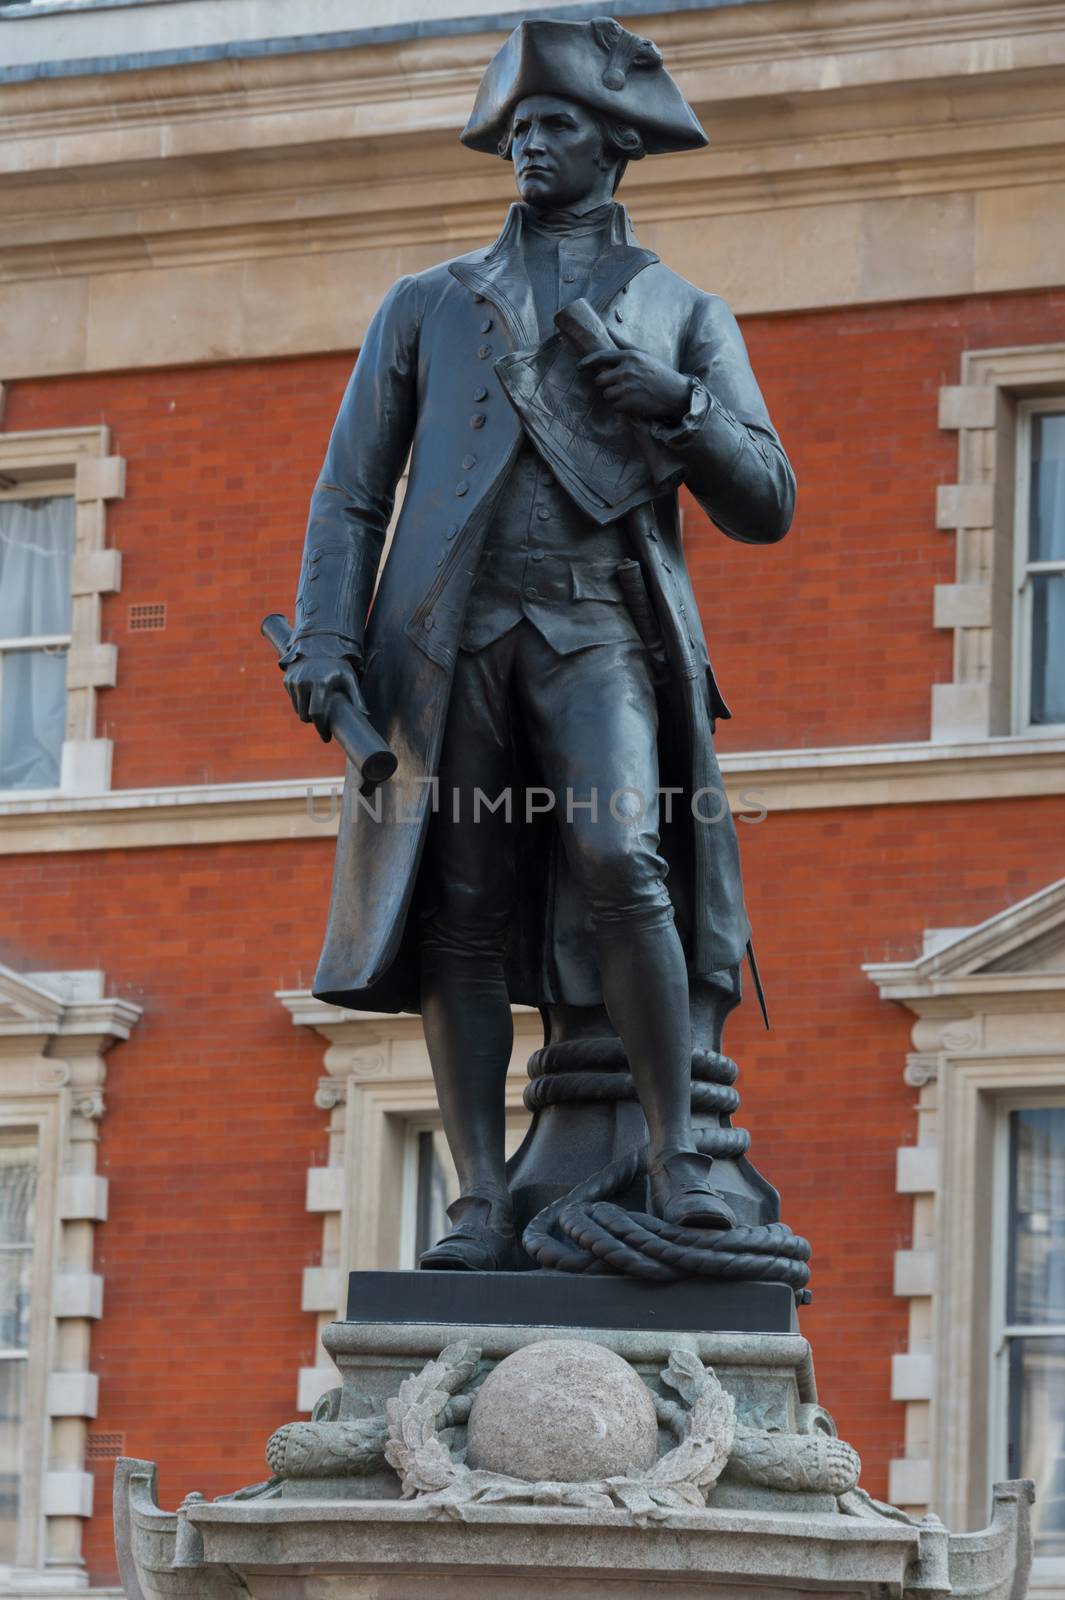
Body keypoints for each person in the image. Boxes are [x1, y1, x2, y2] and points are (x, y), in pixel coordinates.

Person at [281, 17, 795, 1271]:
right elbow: (352, 491)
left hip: (597, 625)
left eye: (554, 124)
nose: (528, 145)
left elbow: (768, 499)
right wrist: (326, 639)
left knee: (626, 859)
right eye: (515, 128)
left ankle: (678, 1161)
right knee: (459, 908)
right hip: (444, 643)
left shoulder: (680, 311)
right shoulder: (427, 303)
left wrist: (672, 406)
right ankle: (475, 1199)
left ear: (616, 143)